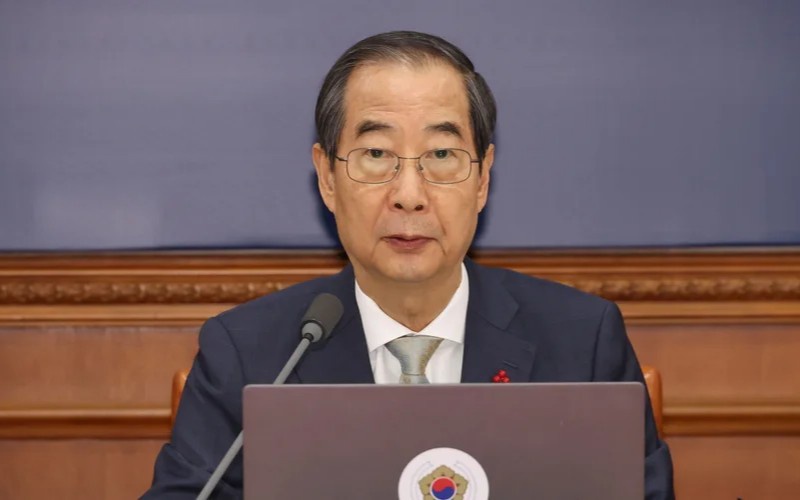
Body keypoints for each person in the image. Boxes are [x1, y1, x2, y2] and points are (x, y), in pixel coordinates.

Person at [143, 30, 674, 499]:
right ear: (327, 177)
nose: (410, 195)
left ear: (483, 178)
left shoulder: (582, 343)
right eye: (377, 155)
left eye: (441, 155)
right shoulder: (248, 355)